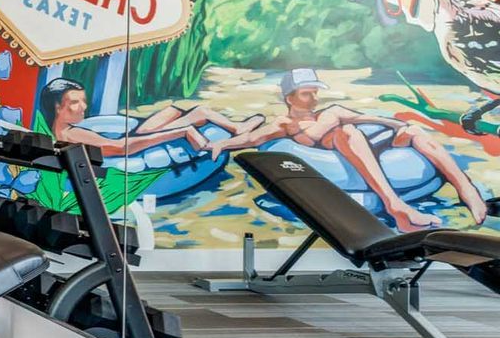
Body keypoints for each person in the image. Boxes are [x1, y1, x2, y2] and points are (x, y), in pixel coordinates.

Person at [207, 68, 487, 230]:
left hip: (374, 148)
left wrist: (401, 126)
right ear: (289, 98)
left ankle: (468, 191)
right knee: (347, 132)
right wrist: (221, 143)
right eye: (306, 93)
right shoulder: (287, 124)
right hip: (345, 152)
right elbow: (253, 138)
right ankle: (396, 207)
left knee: (412, 132)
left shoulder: (332, 112)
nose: (314, 98)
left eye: (315, 92)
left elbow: (373, 120)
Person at [39, 77, 262, 157]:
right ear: (57, 107)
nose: (84, 107)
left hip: (132, 135)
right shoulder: (71, 134)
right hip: (132, 141)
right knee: (193, 114)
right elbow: (120, 148)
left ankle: (236, 127)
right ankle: (236, 128)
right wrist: (181, 132)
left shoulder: (67, 130)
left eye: (83, 100)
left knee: (180, 110)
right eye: (75, 102)